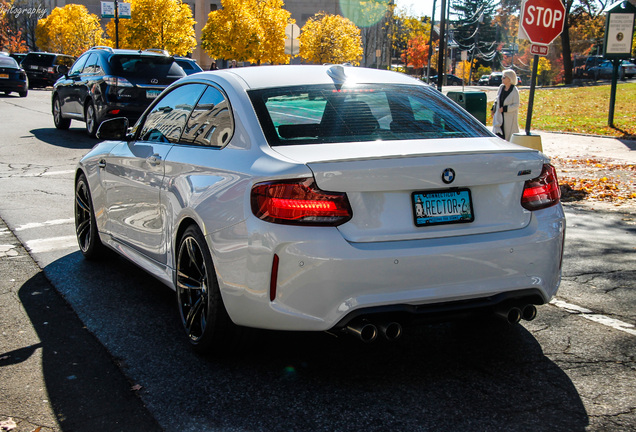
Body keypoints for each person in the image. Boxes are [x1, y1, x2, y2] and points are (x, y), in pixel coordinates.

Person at [491, 69, 520, 141]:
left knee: (508, 135)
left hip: (509, 117)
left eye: (504, 77)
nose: (502, 79)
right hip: (499, 115)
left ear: (510, 79)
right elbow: (497, 99)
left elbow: (516, 105)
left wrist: (505, 109)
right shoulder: (501, 87)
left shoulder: (514, 90)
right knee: (497, 133)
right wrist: (493, 109)